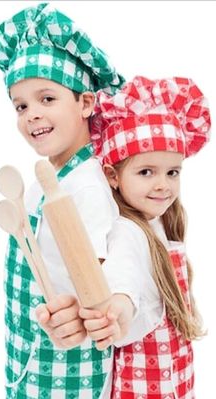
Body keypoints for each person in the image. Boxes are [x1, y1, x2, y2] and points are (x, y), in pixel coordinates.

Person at [0, 2, 126, 398]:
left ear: (85, 103)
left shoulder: (86, 186)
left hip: (69, 364)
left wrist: (87, 317)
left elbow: (96, 285)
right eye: (21, 105)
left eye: (47, 98)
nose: (31, 114)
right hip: (32, 351)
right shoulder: (50, 176)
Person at [80, 75, 211, 398]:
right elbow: (122, 282)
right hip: (142, 387)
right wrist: (118, 311)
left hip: (175, 377)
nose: (163, 185)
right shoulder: (128, 231)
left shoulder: (161, 222)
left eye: (172, 172)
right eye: (146, 172)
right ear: (112, 175)